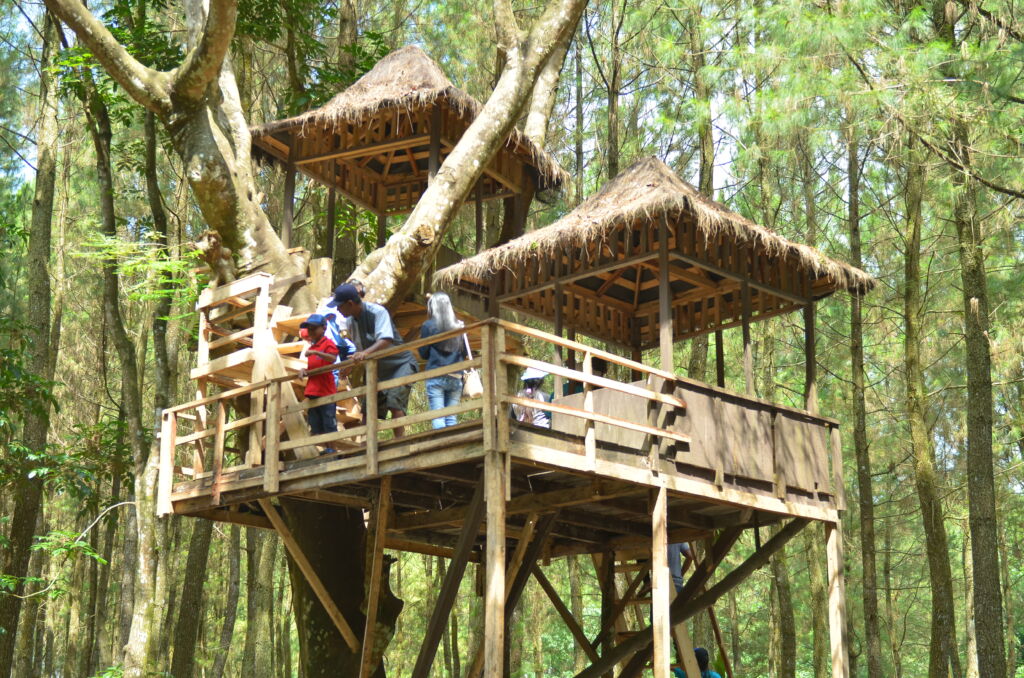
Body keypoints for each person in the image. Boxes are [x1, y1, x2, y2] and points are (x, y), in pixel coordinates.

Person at [328, 283, 419, 437]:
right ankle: (366, 446)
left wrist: (364, 354)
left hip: (400, 364)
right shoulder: (350, 322)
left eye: (339, 306)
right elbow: (359, 349)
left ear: (350, 304)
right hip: (377, 368)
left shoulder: (377, 312)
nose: (337, 309)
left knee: (395, 403)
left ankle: (400, 443)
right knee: (369, 407)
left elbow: (386, 339)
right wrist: (351, 364)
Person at [298, 313, 351, 455]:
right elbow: (314, 367)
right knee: (316, 422)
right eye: (309, 329)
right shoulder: (313, 346)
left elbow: (333, 358)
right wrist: (304, 370)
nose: (311, 331)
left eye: (314, 328)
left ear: (323, 328)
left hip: (325, 389)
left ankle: (332, 449)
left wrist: (317, 352)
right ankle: (324, 449)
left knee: (329, 420)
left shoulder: (327, 343)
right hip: (313, 390)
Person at [419, 292, 467, 429]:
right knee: (451, 419)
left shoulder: (428, 326)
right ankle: (452, 447)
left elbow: (423, 353)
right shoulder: (460, 325)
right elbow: (464, 352)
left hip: (436, 375)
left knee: (438, 417)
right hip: (455, 375)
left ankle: (441, 447)